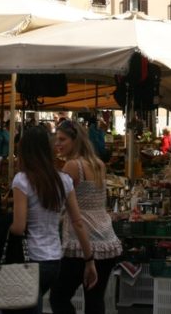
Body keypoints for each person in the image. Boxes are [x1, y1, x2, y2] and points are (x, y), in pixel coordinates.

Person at [9, 126, 97, 314]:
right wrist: (89, 260)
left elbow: (18, 227)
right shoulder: (63, 180)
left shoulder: (21, 180)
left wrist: (1, 229)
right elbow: (78, 222)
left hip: (30, 259)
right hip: (54, 260)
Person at [51, 120, 122, 314]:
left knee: (59, 297)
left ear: (75, 141)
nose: (58, 143)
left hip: (81, 242)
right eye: (57, 139)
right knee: (95, 299)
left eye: (62, 139)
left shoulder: (72, 166)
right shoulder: (99, 164)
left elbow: (57, 203)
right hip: (105, 238)